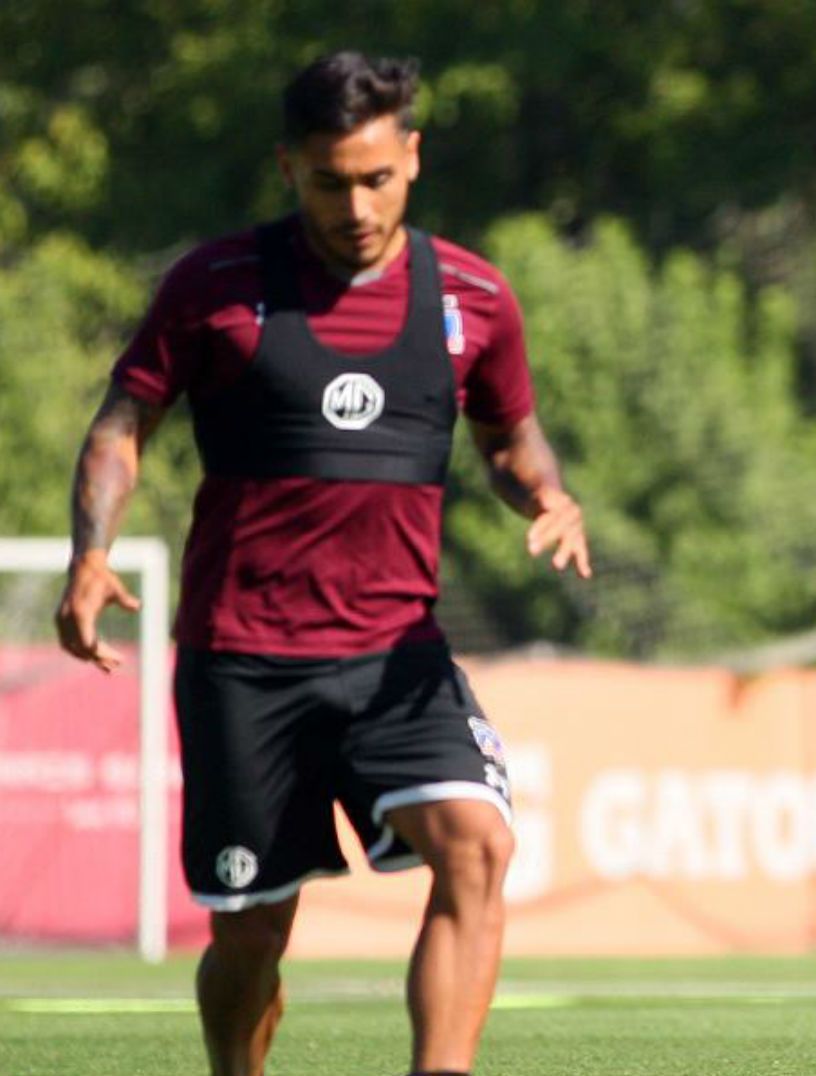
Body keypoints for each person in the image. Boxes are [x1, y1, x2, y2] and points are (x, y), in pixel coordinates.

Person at [52, 52, 591, 1076]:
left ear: (413, 157)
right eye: (330, 181)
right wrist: (90, 555)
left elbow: (510, 437)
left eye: (377, 178)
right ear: (288, 167)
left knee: (478, 843)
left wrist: (548, 497)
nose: (356, 207)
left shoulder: (473, 294)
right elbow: (125, 422)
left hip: (396, 656)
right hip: (243, 659)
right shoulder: (217, 286)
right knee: (252, 930)